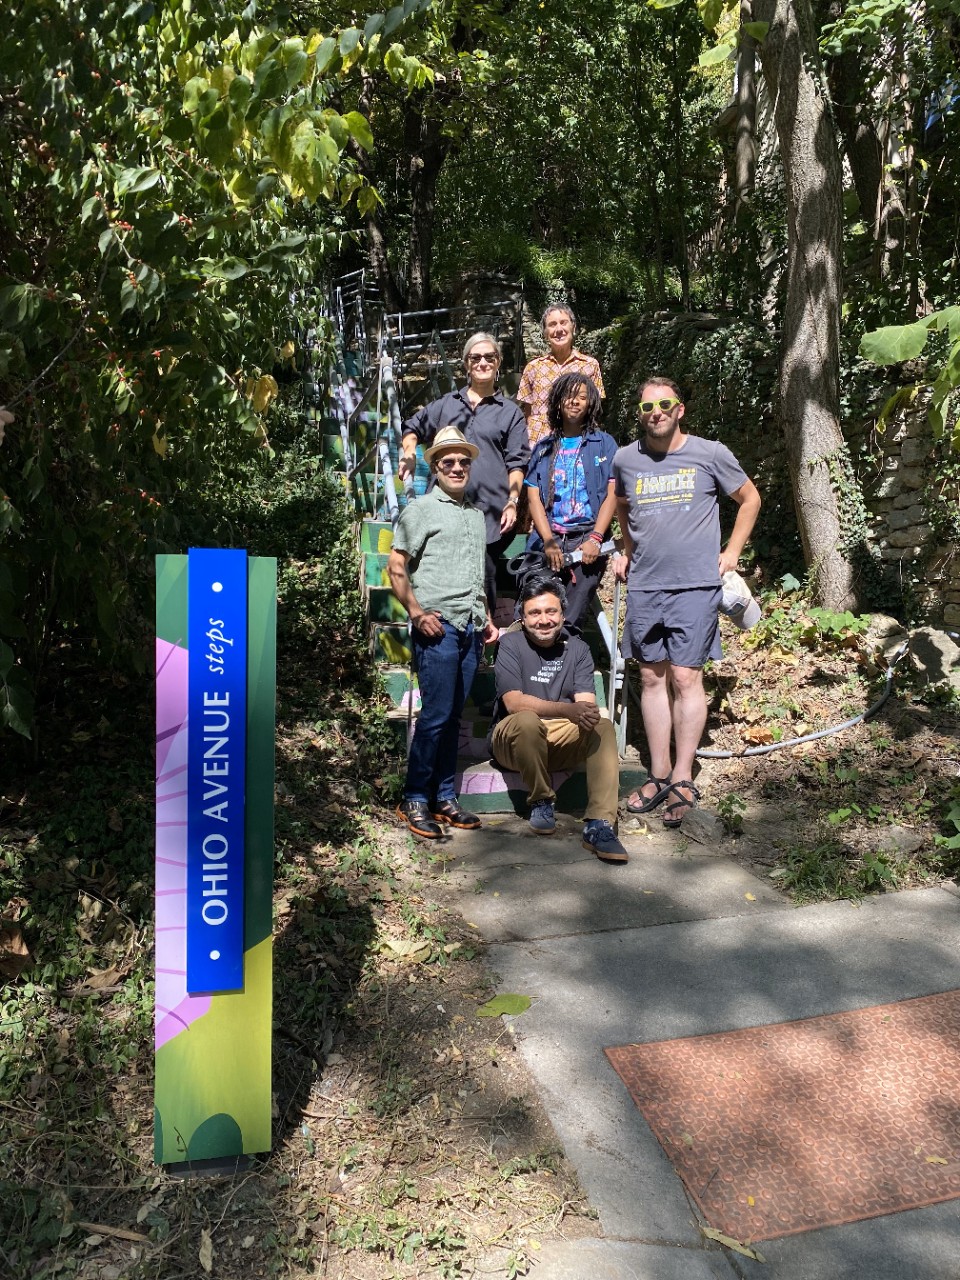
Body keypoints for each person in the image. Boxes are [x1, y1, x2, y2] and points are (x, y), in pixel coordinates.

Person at [612, 376, 761, 828]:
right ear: (639, 413)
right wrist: (627, 549)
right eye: (647, 406)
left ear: (680, 409)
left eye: (664, 404)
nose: (655, 412)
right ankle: (657, 773)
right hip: (645, 586)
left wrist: (732, 551)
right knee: (652, 679)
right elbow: (621, 503)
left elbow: (749, 497)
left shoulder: (710, 453)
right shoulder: (625, 459)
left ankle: (682, 776)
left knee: (685, 676)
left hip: (695, 586)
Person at [389, 426, 499, 839]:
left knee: (453, 717)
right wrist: (416, 614)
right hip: (437, 627)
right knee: (434, 716)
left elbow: (474, 574)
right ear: (434, 467)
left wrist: (486, 616)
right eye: (447, 462)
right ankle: (415, 797)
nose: (456, 467)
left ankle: (445, 797)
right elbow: (396, 567)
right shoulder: (419, 509)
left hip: (470, 626)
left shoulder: (474, 514)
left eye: (463, 462)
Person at [490, 573, 628, 864]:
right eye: (535, 612)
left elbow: (586, 708)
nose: (544, 619)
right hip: (514, 742)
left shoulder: (577, 649)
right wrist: (567, 711)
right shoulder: (510, 645)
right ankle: (540, 800)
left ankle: (599, 824)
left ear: (563, 615)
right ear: (524, 617)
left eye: (551, 611)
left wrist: (583, 713)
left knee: (602, 726)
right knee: (527, 720)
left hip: (559, 740)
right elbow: (514, 703)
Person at [399, 332, 530, 613]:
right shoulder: (446, 404)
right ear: (466, 364)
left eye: (489, 357)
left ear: (498, 362)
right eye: (475, 357)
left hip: (491, 514)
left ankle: (483, 643)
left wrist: (512, 501)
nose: (482, 362)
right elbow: (412, 427)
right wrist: (409, 454)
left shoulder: (510, 413)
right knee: (440, 571)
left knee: (483, 577)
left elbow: (516, 463)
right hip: (444, 509)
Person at [523, 372, 618, 630]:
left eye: (582, 397)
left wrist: (597, 537)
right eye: (568, 395)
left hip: (587, 539)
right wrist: (549, 541)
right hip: (547, 538)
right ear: (558, 401)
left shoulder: (604, 444)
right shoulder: (543, 447)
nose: (574, 401)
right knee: (536, 605)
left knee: (569, 617)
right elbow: (534, 498)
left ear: (591, 403)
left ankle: (561, 658)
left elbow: (613, 493)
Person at [517, 305, 606, 448]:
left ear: (573, 327)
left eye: (563, 322)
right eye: (552, 325)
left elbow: (594, 409)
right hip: (540, 446)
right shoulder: (533, 367)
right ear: (545, 333)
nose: (559, 329)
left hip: (578, 444)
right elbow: (529, 414)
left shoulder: (590, 365)